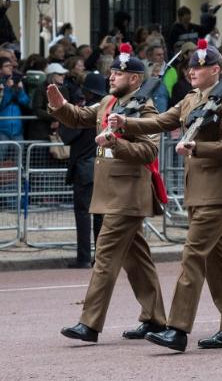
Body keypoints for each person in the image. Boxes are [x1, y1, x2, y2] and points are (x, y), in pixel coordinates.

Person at [108, 39, 222, 352]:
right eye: (190, 67)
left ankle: (178, 328)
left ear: (216, 70)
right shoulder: (191, 99)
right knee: (216, 263)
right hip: (197, 192)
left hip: (218, 192)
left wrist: (198, 146)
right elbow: (161, 120)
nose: (192, 72)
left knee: (192, 256)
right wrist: (125, 121)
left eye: (199, 67)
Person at [52, 44, 166, 344]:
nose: (112, 77)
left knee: (103, 256)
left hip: (128, 192)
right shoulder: (107, 103)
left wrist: (116, 143)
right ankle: (155, 318)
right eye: (112, 72)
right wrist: (60, 106)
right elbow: (78, 118)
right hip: (110, 191)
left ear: (136, 80)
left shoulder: (144, 109)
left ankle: (89, 323)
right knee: (137, 259)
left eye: (119, 73)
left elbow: (149, 150)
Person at [59, 72, 106, 268]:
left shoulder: (85, 111)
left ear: (88, 91)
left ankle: (84, 257)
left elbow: (67, 136)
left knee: (83, 214)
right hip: (102, 167)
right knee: (100, 216)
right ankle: (100, 258)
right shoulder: (106, 112)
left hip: (85, 168)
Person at [0, 57, 29, 141]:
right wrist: (8, 89)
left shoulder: (17, 81)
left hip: (17, 130)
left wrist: (20, 91)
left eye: (11, 65)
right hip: (2, 130)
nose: (10, 67)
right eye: (7, 66)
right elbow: (1, 105)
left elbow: (26, 103)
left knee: (19, 154)